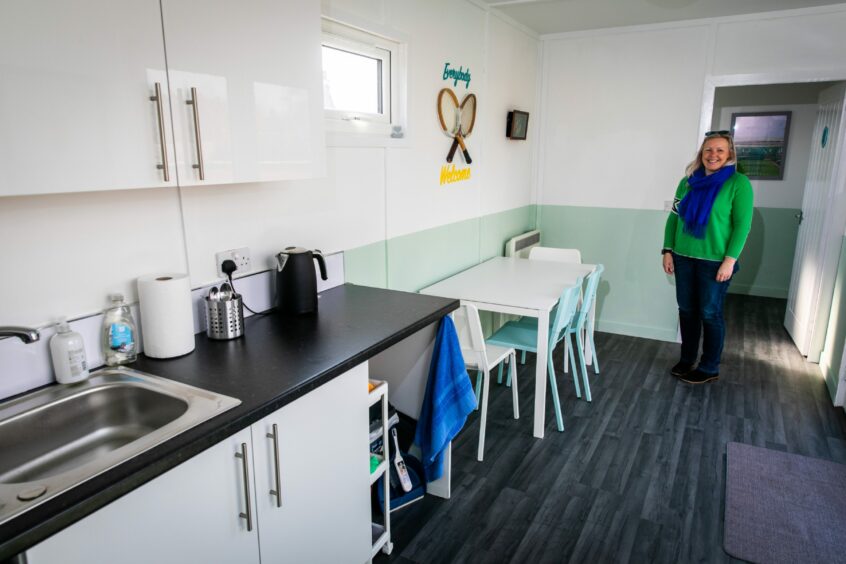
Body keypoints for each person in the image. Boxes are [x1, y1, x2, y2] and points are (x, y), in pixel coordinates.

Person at [662, 130, 754, 384]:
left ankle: (709, 366)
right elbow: (674, 218)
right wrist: (667, 249)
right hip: (682, 257)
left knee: (710, 313)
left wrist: (730, 260)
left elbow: (742, 226)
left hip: (715, 262)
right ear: (701, 153)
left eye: (719, 150)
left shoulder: (738, 183)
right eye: (708, 150)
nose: (713, 155)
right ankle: (687, 358)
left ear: (730, 154)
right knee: (687, 310)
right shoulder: (687, 181)